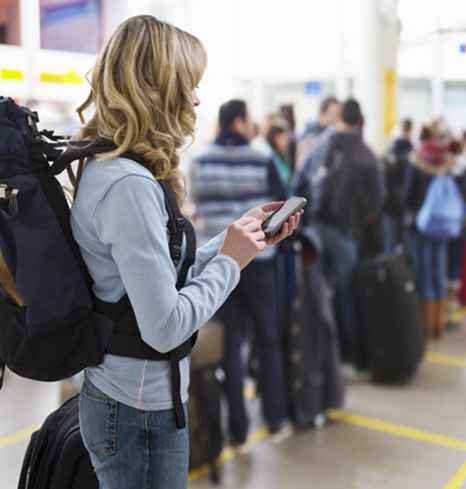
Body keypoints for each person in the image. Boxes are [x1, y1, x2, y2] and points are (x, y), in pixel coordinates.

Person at [70, 16, 301, 489]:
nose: (197, 100)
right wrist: (232, 263)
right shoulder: (128, 186)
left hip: (138, 403)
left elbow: (160, 274)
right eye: (189, 86)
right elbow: (164, 326)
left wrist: (235, 238)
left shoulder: (118, 170)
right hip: (136, 411)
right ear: (158, 89)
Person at [192, 100, 295, 446]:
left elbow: (196, 205)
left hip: (220, 262)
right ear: (238, 122)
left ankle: (236, 429)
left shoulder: (200, 161)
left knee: (230, 343)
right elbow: (280, 205)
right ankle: (276, 418)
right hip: (260, 263)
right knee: (267, 338)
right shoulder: (261, 157)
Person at [302, 98, 385, 368]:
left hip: (314, 230)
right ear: (361, 122)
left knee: (316, 293)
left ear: (340, 120)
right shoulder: (366, 155)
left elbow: (299, 182)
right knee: (346, 292)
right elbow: (377, 200)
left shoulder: (320, 147)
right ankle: (346, 353)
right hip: (345, 233)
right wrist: (360, 222)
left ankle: (319, 351)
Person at [406, 125, 455, 340]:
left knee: (424, 276)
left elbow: (407, 196)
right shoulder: (446, 161)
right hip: (443, 226)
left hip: (422, 227)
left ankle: (425, 328)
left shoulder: (417, 161)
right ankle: (439, 327)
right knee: (439, 275)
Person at [383, 118, 415, 252]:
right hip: (405, 206)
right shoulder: (414, 153)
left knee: (391, 245)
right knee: (406, 247)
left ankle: (389, 272)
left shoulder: (390, 152)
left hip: (392, 206)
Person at [296, 96, 341, 167]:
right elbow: (300, 165)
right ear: (322, 113)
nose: (337, 118)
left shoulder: (335, 136)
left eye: (339, 114)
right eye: (334, 113)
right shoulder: (308, 136)